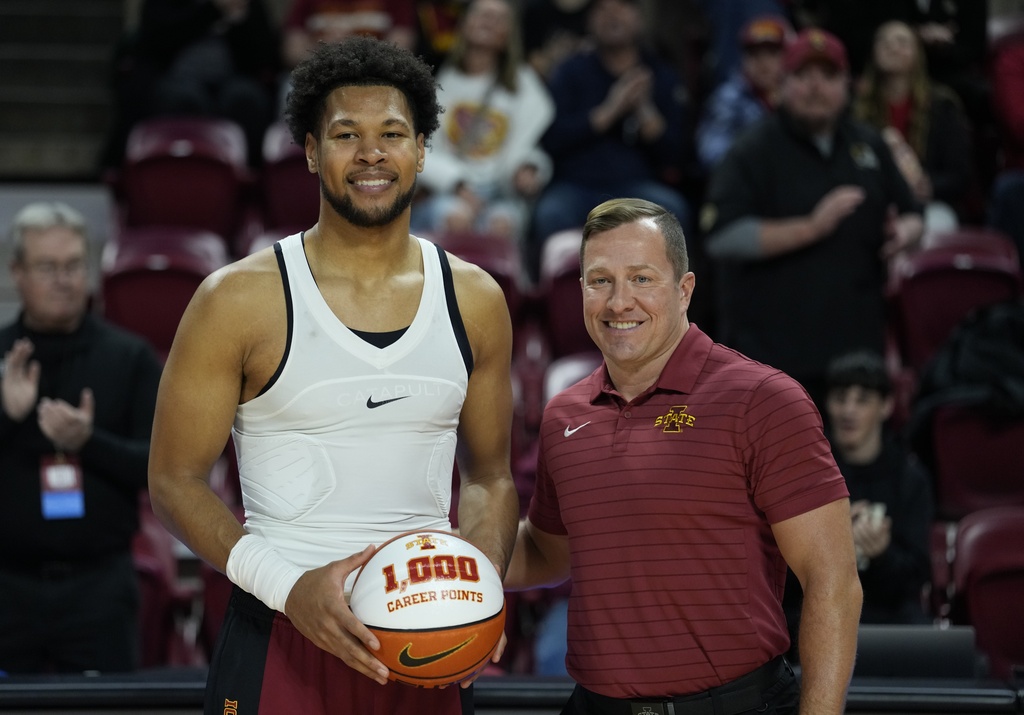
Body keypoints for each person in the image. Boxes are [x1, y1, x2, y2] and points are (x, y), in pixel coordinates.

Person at [147, 36, 519, 714]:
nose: (372, 153)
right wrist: (289, 587)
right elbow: (172, 480)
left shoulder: (476, 299)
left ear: (422, 150)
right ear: (313, 152)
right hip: (283, 637)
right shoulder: (235, 299)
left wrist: (481, 579)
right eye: (347, 134)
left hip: (428, 647)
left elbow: (491, 477)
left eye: (393, 134)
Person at [504, 197, 863, 715]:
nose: (618, 302)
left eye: (642, 279)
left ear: (685, 289)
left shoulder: (763, 398)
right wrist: (438, 551)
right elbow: (546, 553)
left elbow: (833, 582)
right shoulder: (564, 415)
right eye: (600, 280)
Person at [701, 28, 923, 408]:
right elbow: (722, 236)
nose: (815, 88)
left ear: (848, 84)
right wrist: (811, 227)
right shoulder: (754, 150)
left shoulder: (868, 144)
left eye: (828, 76)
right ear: (782, 85)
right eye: (803, 76)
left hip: (857, 349)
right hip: (778, 353)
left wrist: (905, 232)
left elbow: (913, 211)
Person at [0, 202, 163, 673]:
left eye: (73, 265)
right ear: (17, 273)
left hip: (100, 590)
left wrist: (88, 441)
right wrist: (7, 415)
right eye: (47, 267)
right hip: (8, 588)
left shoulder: (130, 357)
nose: (63, 279)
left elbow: (159, 470)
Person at [527, 0, 693, 281]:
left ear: (640, 18)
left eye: (623, 6)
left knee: (673, 209)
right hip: (575, 186)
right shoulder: (570, 72)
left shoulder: (660, 73)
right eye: (602, 8)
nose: (612, 15)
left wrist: (643, 110)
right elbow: (550, 139)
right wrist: (607, 113)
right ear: (589, 21)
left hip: (637, 188)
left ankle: (670, 307)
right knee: (549, 214)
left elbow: (677, 155)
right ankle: (552, 309)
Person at [410, 0, 555, 245]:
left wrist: (528, 168)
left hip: (501, 193)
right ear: (464, 23)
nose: (488, 21)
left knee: (502, 225)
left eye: (498, 18)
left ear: (509, 34)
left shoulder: (525, 85)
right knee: (456, 217)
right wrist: (457, 184)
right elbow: (416, 144)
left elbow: (534, 147)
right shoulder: (433, 75)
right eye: (481, 14)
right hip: (447, 189)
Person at [823, 350, 933, 625]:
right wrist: (830, 540)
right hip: (822, 609)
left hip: (889, 611)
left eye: (862, 400)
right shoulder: (807, 473)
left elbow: (916, 576)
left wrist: (883, 554)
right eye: (840, 399)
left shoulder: (910, 478)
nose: (848, 411)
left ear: (886, 406)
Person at [107, 0, 281, 168]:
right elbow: (157, 41)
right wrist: (212, 10)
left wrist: (240, 20)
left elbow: (264, 56)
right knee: (185, 100)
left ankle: (244, 178)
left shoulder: (247, 4)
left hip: (233, 79)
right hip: (175, 78)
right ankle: (185, 175)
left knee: (245, 99)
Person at [852, 19, 973, 236]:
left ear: (917, 53)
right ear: (873, 53)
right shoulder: (856, 107)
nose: (892, 47)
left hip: (928, 203)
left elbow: (959, 174)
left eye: (902, 41)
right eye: (884, 42)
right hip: (873, 203)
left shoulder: (943, 106)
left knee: (939, 224)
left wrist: (931, 186)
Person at [696, 14, 791, 171]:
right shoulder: (727, 98)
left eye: (772, 54)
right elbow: (710, 151)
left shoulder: (797, 97)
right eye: (755, 54)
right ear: (743, 59)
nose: (764, 63)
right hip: (746, 183)